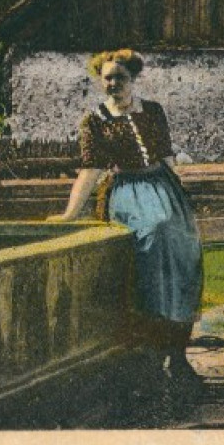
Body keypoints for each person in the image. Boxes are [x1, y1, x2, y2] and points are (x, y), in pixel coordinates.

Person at [52, 49, 204, 388]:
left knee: (185, 251)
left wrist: (181, 198)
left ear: (132, 79)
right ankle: (148, 353)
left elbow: (166, 157)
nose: (112, 84)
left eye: (119, 77)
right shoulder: (94, 121)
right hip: (127, 191)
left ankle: (178, 353)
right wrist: (70, 213)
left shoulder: (152, 112)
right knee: (154, 237)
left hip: (163, 186)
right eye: (107, 78)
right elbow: (90, 171)